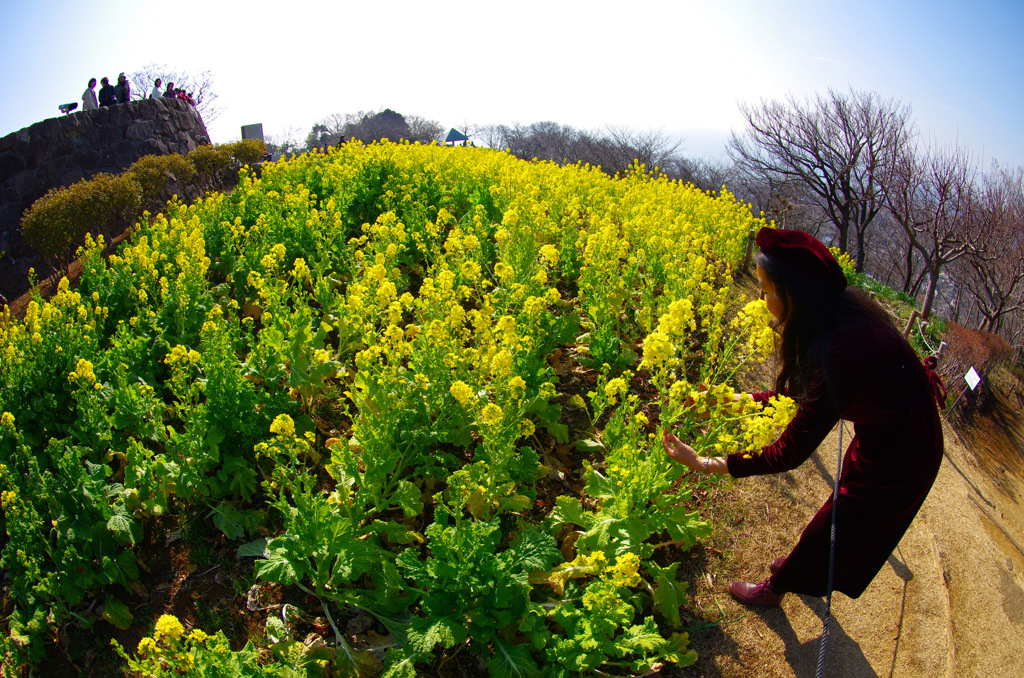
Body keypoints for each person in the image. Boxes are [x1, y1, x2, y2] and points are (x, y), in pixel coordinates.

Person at [662, 227, 944, 606]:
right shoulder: (835, 314)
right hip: (891, 426)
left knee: (838, 526)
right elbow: (792, 397)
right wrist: (728, 401)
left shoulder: (840, 351)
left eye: (765, 290)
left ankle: (776, 589)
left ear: (792, 292)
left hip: (907, 450)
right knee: (840, 517)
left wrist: (704, 463)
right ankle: (801, 566)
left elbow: (789, 453)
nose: (762, 300)